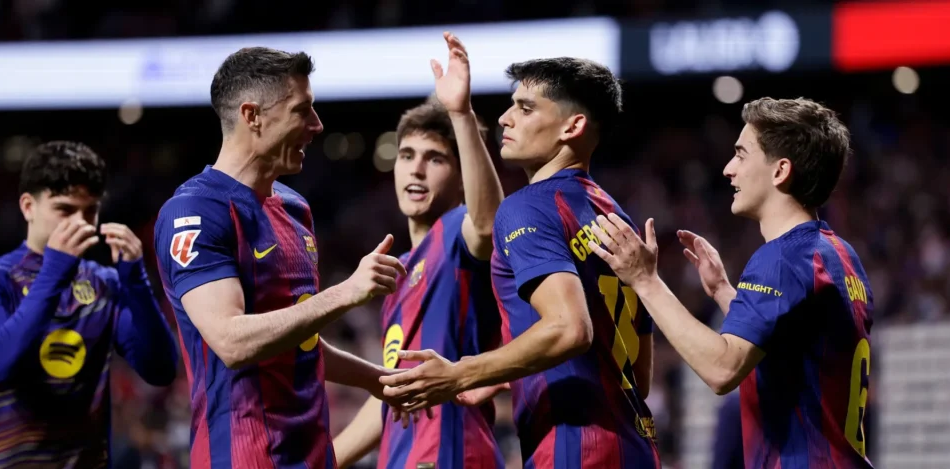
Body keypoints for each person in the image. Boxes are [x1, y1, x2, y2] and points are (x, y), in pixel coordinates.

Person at [378, 57, 660, 468]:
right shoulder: (616, 217)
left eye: (525, 108)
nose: (506, 118)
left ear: (572, 127)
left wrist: (461, 373)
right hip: (635, 444)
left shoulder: (528, 207)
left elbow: (569, 328)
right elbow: (638, 376)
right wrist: (509, 373)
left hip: (573, 448)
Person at [153, 47, 414, 469]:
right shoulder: (195, 212)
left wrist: (380, 381)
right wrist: (344, 293)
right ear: (252, 115)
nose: (317, 125)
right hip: (243, 456)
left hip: (313, 454)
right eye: (302, 110)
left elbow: (298, 342)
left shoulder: (294, 208)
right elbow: (232, 341)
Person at [587, 97, 873, 468]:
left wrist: (646, 281)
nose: (728, 169)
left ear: (780, 171)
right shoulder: (840, 254)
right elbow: (791, 347)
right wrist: (725, 293)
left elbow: (721, 370)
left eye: (741, 154)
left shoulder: (782, 258)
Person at [332, 32, 505, 469]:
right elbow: (393, 390)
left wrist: (461, 115)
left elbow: (487, 224)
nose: (416, 168)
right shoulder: (400, 271)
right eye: (407, 155)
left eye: (435, 158)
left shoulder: (457, 235)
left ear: (462, 176)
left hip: (452, 454)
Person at [0, 140, 178, 468]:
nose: (81, 224)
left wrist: (136, 282)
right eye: (65, 210)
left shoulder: (104, 283)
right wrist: (56, 269)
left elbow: (160, 369)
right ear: (28, 207)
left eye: (90, 211)